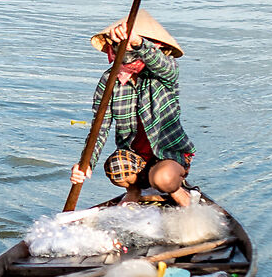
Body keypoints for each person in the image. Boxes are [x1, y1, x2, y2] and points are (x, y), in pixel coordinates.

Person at [70, 12, 196, 208]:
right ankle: (134, 191)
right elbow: (99, 128)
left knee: (163, 179)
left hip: (169, 155)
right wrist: (85, 164)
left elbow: (166, 67)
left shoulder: (161, 75)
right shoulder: (109, 80)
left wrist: (138, 42)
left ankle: (181, 194)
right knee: (115, 168)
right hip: (136, 158)